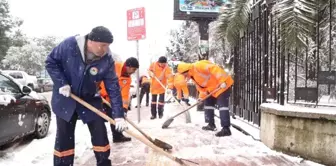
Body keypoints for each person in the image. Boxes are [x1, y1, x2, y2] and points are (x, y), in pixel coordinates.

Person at [45, 26, 127, 166]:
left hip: (90, 99)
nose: (106, 49)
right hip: (66, 99)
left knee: (100, 134)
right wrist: (62, 83)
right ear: (91, 41)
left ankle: (103, 163)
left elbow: (113, 87)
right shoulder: (69, 45)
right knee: (64, 139)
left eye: (108, 46)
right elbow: (51, 62)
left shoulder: (106, 59)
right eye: (103, 45)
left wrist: (118, 115)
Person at [177, 60, 234, 137]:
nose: (184, 77)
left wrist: (222, 81)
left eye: (184, 75)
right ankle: (211, 124)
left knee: (222, 106)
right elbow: (202, 89)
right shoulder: (193, 76)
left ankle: (226, 129)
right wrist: (201, 98)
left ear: (186, 71)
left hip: (223, 85)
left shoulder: (198, 66)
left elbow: (214, 69)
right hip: (213, 89)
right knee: (208, 104)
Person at [99, 57, 139, 143]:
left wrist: (124, 109)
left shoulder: (128, 79)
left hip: (111, 99)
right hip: (100, 96)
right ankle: (101, 142)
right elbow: (100, 75)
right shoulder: (114, 66)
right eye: (134, 69)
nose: (134, 71)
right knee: (98, 120)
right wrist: (97, 89)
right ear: (128, 66)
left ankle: (117, 136)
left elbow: (124, 95)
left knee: (116, 116)